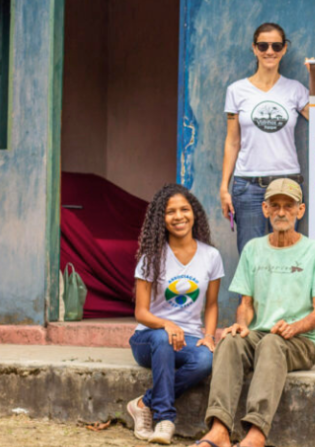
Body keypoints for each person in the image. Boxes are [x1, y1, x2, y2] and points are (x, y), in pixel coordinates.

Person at [193, 178, 315, 447]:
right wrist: (241, 324)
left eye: (288, 206)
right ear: (265, 209)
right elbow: (246, 304)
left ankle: (256, 434)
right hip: (260, 336)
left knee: (273, 342)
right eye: (275, 205)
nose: (281, 212)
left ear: (300, 210)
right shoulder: (253, 249)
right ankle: (219, 429)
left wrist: (295, 327)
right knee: (230, 340)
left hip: (300, 342)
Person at [127, 184, 225, 444]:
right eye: (170, 212)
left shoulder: (211, 256)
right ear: (161, 219)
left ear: (194, 214)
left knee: (205, 360)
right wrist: (166, 324)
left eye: (184, 209)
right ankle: (165, 419)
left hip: (188, 337)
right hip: (148, 339)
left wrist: (209, 336)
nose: (179, 216)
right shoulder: (151, 258)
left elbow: (212, 305)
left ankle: (142, 403)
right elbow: (141, 313)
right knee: (163, 338)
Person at [220, 22, 310, 254]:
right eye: (263, 46)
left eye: (276, 46)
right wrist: (224, 187)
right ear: (254, 48)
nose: (270, 51)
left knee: (286, 253)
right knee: (251, 255)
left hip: (287, 183)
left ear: (284, 49)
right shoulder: (236, 91)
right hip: (248, 185)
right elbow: (232, 141)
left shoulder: (296, 89)